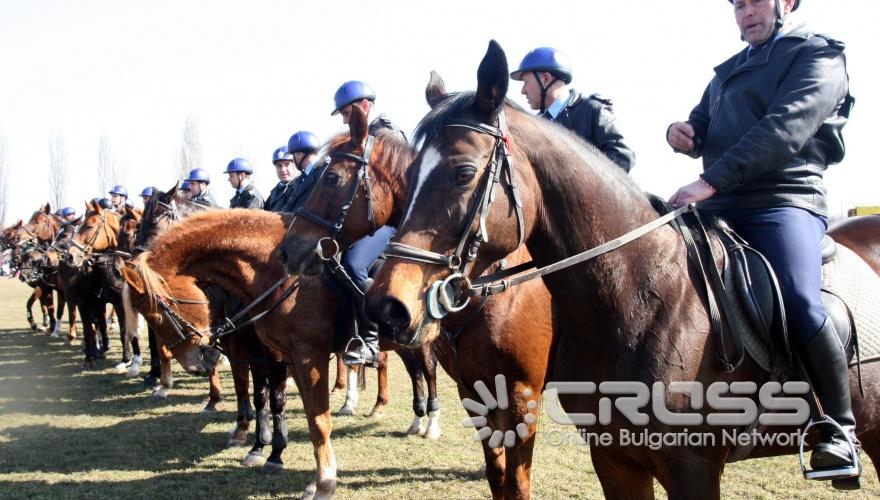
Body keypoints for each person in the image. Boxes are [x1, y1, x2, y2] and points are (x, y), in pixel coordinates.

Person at [666, 0, 857, 480]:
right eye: (738, 5)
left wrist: (710, 180)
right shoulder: (729, 71)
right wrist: (682, 133)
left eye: (754, 2)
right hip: (719, 201)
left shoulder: (819, 56)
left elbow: (784, 130)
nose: (745, 12)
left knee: (797, 298)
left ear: (785, 3)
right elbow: (702, 125)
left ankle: (839, 427)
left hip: (784, 200)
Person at [330, 84, 403, 366]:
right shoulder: (360, 137)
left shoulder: (385, 132)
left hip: (394, 220)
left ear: (364, 106)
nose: (345, 119)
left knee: (354, 265)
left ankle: (372, 340)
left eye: (348, 112)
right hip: (371, 220)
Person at [510, 47, 636, 172]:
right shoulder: (534, 126)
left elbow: (623, 156)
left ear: (546, 78)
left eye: (526, 81)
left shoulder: (592, 110)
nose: (523, 90)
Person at [331, 80, 406, 141]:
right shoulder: (361, 134)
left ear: (365, 106)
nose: (344, 121)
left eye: (347, 113)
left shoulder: (388, 134)